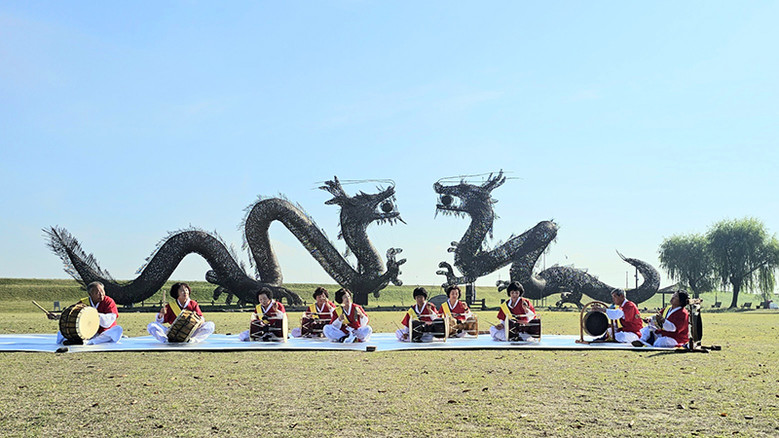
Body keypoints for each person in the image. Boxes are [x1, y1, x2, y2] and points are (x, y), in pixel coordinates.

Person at [51, 281, 123, 345]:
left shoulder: (108, 301)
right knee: (63, 331)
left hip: (103, 333)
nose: (101, 294)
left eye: (102, 291)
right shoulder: (84, 303)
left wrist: (93, 315)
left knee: (117, 330)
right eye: (97, 293)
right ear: (90, 294)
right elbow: (71, 315)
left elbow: (109, 321)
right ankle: (74, 340)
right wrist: (57, 316)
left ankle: (89, 342)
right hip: (87, 332)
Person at [147, 282, 215, 343]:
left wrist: (199, 322)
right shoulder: (170, 306)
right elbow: (161, 321)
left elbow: (201, 318)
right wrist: (161, 315)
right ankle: (165, 340)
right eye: (182, 290)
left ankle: (193, 340)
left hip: (191, 333)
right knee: (151, 326)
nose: (185, 292)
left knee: (210, 325)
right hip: (173, 333)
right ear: (176, 293)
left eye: (186, 290)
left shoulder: (193, 304)